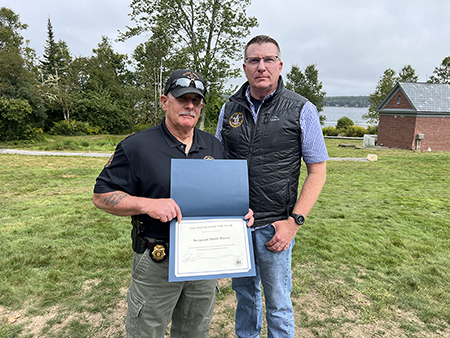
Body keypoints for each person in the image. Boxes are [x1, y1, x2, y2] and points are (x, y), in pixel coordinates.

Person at [93, 69, 254, 338]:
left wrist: (238, 213)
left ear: (201, 106)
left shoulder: (214, 147)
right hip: (158, 258)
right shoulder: (137, 147)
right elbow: (101, 196)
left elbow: (220, 197)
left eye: (196, 100)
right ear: (165, 101)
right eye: (182, 98)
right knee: (146, 330)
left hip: (204, 262)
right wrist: (147, 205)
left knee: (195, 330)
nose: (189, 105)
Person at [215, 35, 329, 337]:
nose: (261, 66)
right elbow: (216, 163)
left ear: (279, 65)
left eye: (268, 60)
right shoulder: (229, 109)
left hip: (275, 227)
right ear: (244, 67)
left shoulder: (302, 109)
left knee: (278, 303)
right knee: (245, 298)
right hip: (237, 223)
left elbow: (317, 171)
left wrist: (294, 222)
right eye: (254, 60)